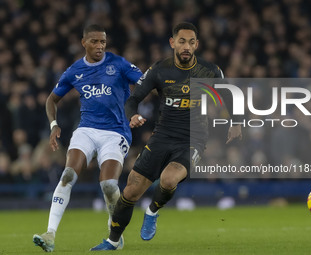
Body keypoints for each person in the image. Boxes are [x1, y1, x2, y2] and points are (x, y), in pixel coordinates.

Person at [91, 22, 242, 251]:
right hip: (162, 136)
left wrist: (236, 122)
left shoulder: (210, 71)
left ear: (197, 45)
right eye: (182, 41)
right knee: (130, 191)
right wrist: (132, 115)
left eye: (191, 42)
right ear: (172, 43)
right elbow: (132, 99)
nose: (186, 47)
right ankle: (112, 241)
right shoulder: (160, 70)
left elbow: (231, 96)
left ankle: (152, 211)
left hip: (193, 140)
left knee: (169, 179)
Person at [32, 24, 143, 252]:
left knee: (109, 185)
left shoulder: (119, 64)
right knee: (68, 174)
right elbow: (51, 100)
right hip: (87, 130)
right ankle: (50, 234)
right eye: (95, 41)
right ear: (84, 43)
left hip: (116, 132)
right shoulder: (74, 71)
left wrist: (135, 111)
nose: (100, 46)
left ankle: (115, 233)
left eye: (103, 42)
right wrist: (54, 125)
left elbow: (145, 83)